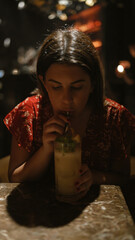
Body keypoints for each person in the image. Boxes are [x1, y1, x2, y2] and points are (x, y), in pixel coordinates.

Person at [4, 28, 135, 200]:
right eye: (56, 87)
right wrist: (46, 149)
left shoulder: (115, 118)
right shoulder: (29, 113)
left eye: (77, 87)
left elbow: (124, 179)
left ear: (93, 83)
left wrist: (94, 177)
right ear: (43, 82)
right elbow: (15, 178)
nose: (67, 99)